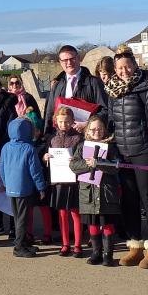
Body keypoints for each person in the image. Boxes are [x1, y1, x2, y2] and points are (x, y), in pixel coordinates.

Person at [104, 46, 148, 269]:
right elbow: (111, 122)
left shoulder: (147, 89)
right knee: (128, 200)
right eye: (120, 67)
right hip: (122, 151)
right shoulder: (111, 91)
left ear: (135, 65)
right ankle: (135, 246)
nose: (124, 71)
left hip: (143, 151)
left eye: (128, 66)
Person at [69, 114, 122, 266]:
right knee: (92, 224)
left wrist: (100, 163)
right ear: (87, 131)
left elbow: (116, 167)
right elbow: (73, 166)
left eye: (100, 129)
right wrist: (88, 165)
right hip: (88, 193)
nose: (96, 132)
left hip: (106, 192)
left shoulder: (111, 146)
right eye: (93, 129)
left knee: (107, 224)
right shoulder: (81, 146)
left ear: (105, 130)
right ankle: (96, 253)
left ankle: (108, 255)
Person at [0, 117, 47, 258]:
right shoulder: (29, 148)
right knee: (23, 219)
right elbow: (35, 171)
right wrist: (41, 187)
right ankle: (19, 246)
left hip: (11, 188)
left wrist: (6, 183)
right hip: (24, 189)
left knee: (17, 217)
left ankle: (24, 243)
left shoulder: (6, 147)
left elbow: (1, 168)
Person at [43, 45, 108, 138]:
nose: (69, 62)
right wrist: (47, 139)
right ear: (60, 62)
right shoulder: (57, 86)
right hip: (63, 140)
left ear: (78, 58)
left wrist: (87, 124)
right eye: (65, 60)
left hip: (86, 137)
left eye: (72, 58)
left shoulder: (94, 82)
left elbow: (105, 110)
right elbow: (50, 115)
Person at [44, 106, 83, 257]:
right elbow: (46, 154)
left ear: (73, 121)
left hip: (74, 180)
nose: (64, 124)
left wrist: (76, 159)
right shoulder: (52, 138)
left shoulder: (79, 138)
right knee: (62, 213)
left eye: (67, 122)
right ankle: (65, 244)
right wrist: (45, 157)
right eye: (61, 122)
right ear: (56, 122)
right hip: (59, 181)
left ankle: (78, 244)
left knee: (75, 213)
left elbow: (83, 158)